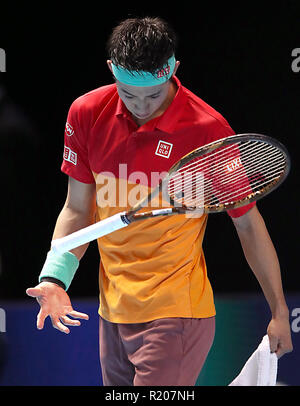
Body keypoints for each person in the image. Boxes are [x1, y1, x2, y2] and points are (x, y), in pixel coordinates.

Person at [26, 16, 292, 386]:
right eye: (128, 93)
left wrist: (279, 310)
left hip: (176, 312)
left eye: (153, 94)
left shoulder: (207, 130)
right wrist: (55, 277)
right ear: (111, 71)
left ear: (173, 69)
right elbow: (77, 210)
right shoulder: (86, 114)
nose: (141, 106)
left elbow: (248, 223)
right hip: (113, 309)